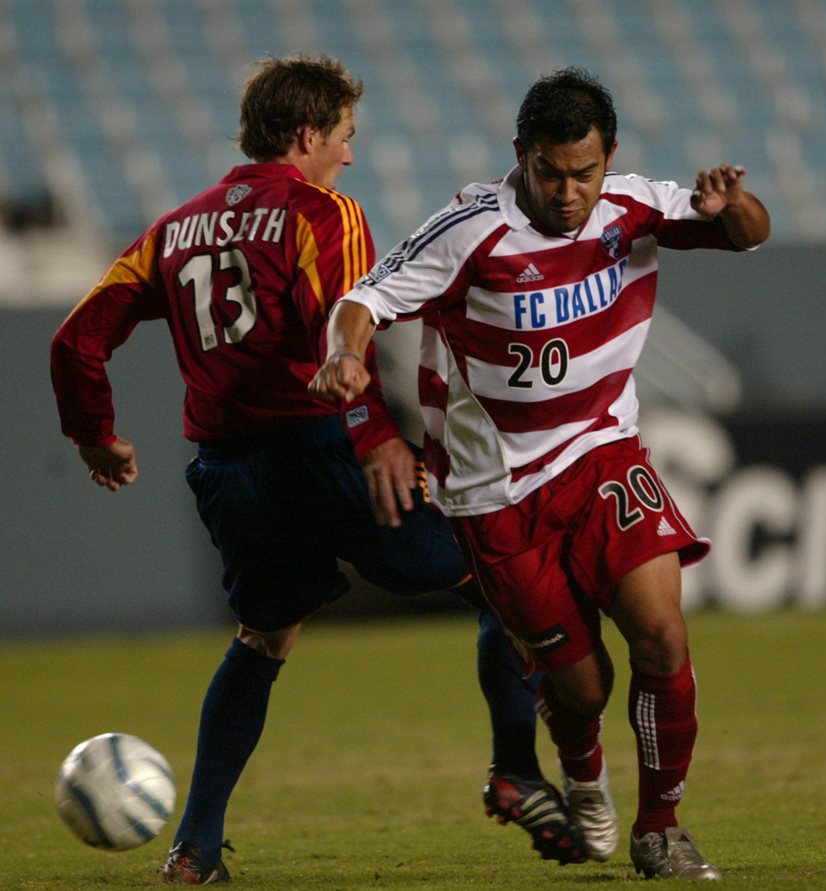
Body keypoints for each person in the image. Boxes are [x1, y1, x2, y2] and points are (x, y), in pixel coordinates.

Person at [49, 54, 588, 884]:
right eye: (344, 135)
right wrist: (376, 435)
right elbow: (344, 331)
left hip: (231, 472)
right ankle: (514, 768)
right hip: (327, 451)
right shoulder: (322, 213)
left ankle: (194, 849)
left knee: (263, 640)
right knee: (500, 587)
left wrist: (94, 433)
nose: (350, 153)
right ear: (307, 134)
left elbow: (75, 339)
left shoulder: (174, 229)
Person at [309, 67, 770, 880]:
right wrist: (344, 356)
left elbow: (749, 234)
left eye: (583, 172)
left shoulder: (631, 206)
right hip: (496, 492)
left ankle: (661, 827)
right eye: (550, 172)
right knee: (583, 687)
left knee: (663, 634)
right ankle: (584, 776)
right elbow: (362, 302)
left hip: (602, 452)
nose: (567, 192)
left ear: (608, 157)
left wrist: (733, 204)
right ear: (521, 154)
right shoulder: (469, 231)